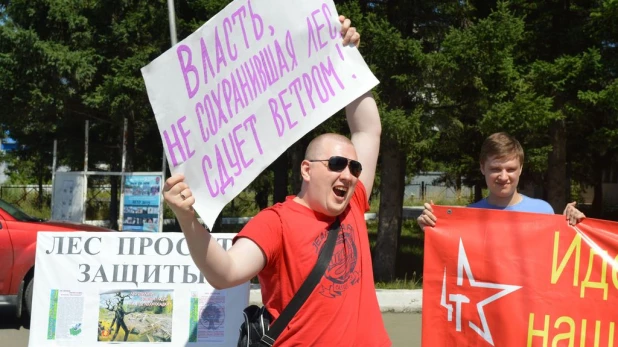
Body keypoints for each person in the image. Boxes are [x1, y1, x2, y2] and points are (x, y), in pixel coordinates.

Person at [163, 16, 391, 347]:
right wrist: (186, 217)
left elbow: (368, 130)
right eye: (338, 164)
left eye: (355, 167)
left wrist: (348, 53)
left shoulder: (352, 203)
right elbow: (225, 272)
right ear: (307, 170)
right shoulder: (276, 223)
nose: (348, 174)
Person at [417, 132, 586, 228]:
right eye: (496, 169)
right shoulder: (467, 216)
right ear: (483, 167)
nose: (504, 177)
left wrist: (577, 227)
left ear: (521, 168)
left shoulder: (543, 211)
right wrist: (432, 229)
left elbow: (557, 263)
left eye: (511, 169)